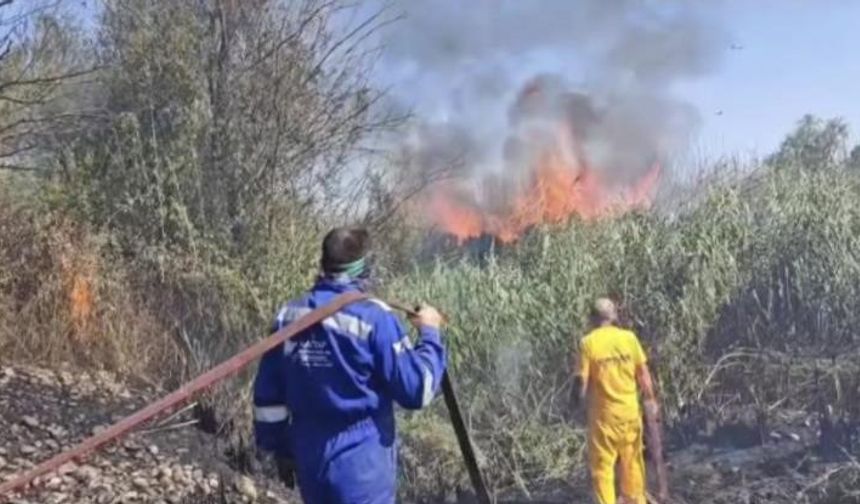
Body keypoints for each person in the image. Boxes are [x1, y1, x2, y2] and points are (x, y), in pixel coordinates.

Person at [252, 226, 447, 504]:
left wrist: (281, 450)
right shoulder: (375, 319)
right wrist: (430, 333)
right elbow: (417, 389)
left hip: (311, 465)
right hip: (361, 471)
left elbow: (268, 399)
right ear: (365, 269)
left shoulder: (289, 315)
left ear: (323, 264)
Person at [573, 298, 663, 504]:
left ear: (591, 318)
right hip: (630, 415)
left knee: (602, 470)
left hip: (603, 421)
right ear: (613, 316)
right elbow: (644, 376)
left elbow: (581, 381)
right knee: (632, 465)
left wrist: (574, 407)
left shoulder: (588, 343)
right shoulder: (629, 339)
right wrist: (651, 401)